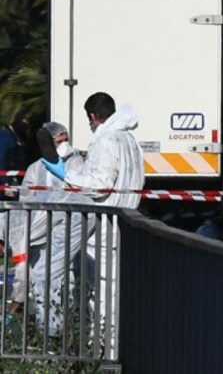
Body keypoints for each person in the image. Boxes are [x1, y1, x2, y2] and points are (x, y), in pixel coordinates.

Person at [40, 92, 144, 350]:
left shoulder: (107, 140)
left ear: (93, 116)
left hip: (105, 222)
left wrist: (67, 176)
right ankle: (104, 348)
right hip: (122, 218)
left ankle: (103, 351)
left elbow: (99, 186)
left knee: (102, 291)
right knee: (111, 288)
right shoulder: (128, 140)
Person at [4, 122, 85, 316]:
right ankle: (49, 325)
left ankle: (61, 324)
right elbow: (26, 200)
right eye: (59, 141)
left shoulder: (75, 163)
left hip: (67, 226)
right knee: (42, 276)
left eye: (66, 140)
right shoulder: (35, 169)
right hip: (40, 230)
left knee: (66, 275)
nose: (64, 145)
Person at [0, 111, 30, 195]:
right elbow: (0, 160)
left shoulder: (19, 138)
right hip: (5, 186)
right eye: (24, 122)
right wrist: (5, 184)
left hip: (16, 184)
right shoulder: (4, 136)